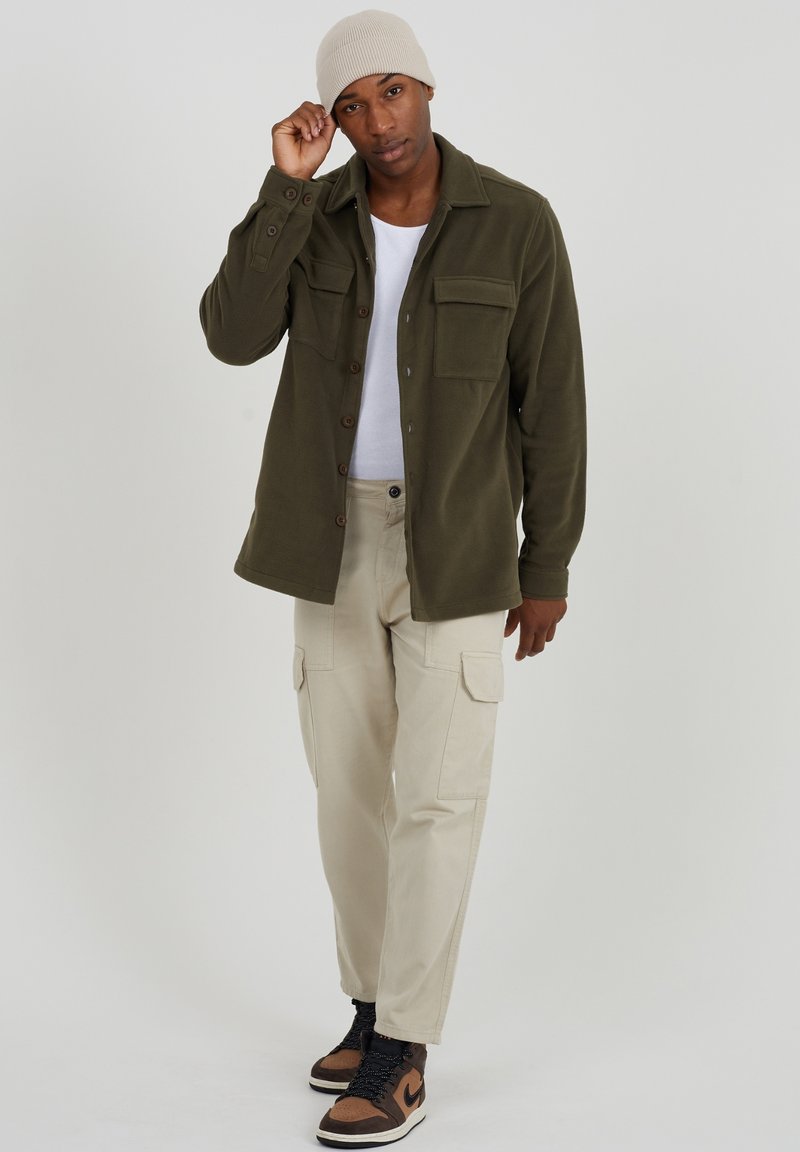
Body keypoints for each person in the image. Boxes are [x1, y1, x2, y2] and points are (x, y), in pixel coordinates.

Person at [199, 9, 586, 1147]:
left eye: (392, 92)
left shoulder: (516, 222)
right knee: (348, 795)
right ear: (333, 120)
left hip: (460, 550)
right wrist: (284, 189)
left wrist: (547, 564)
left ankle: (405, 1049)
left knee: (439, 801)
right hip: (328, 544)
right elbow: (230, 334)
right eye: (352, 104)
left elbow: (553, 404)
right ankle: (370, 1009)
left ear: (427, 89)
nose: (378, 120)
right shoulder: (312, 217)